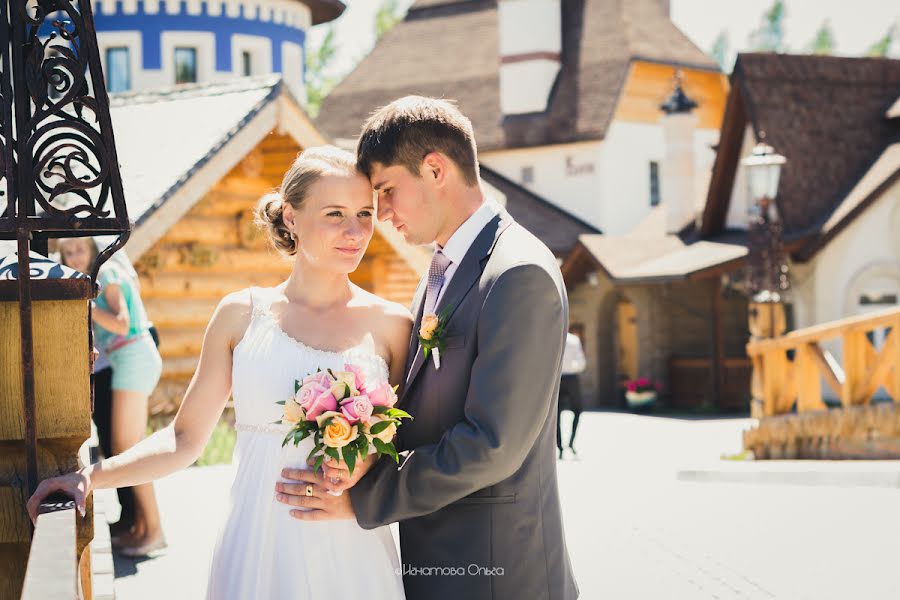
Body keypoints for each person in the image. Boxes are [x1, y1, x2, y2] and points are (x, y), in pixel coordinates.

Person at [31, 146, 410, 598]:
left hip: (352, 545)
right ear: (291, 217)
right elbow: (183, 439)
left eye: (365, 213)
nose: (355, 231)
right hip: (257, 540)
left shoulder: (392, 324)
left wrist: (363, 480)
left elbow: (409, 442)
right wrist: (90, 477)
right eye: (335, 213)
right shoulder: (240, 316)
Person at [277, 97, 579, 600]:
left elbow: (493, 444)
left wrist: (365, 496)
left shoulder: (517, 272)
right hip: (444, 564)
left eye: (387, 191)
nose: (383, 213)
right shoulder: (441, 270)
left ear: (435, 168)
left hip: (496, 570)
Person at [58, 237, 165, 556]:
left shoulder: (109, 276)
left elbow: (123, 323)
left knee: (128, 449)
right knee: (124, 448)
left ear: (92, 249)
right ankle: (143, 528)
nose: (75, 256)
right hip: (127, 360)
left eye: (80, 249)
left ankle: (154, 532)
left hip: (134, 357)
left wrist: (87, 303)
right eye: (68, 252)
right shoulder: (97, 279)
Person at [558, 330, 586, 459]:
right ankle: (569, 443)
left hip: (558, 378)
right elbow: (581, 363)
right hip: (571, 378)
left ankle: (561, 447)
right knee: (577, 410)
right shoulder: (574, 340)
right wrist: (572, 368)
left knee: (556, 414)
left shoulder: (555, 338)